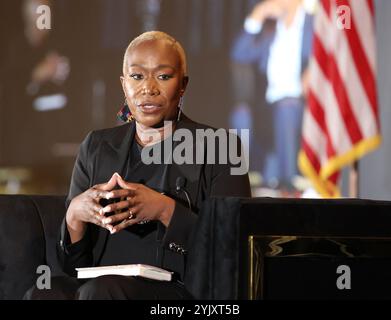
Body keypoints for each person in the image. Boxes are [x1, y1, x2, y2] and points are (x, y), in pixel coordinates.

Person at [24, 31, 251, 300]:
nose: (148, 88)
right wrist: (75, 215)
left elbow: (232, 252)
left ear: (183, 85)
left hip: (183, 292)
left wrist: (165, 210)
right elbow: (71, 266)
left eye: (163, 76)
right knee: (44, 292)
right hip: (99, 287)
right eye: (137, 76)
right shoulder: (96, 146)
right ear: (124, 84)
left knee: (103, 291)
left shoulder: (221, 147)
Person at [232, 0, 314, 191]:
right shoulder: (270, 29)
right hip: (268, 107)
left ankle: (290, 180)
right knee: (241, 113)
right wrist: (256, 17)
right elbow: (239, 54)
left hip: (302, 106)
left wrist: (314, 69)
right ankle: (243, 176)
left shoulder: (314, 23)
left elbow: (328, 55)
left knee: (287, 106)